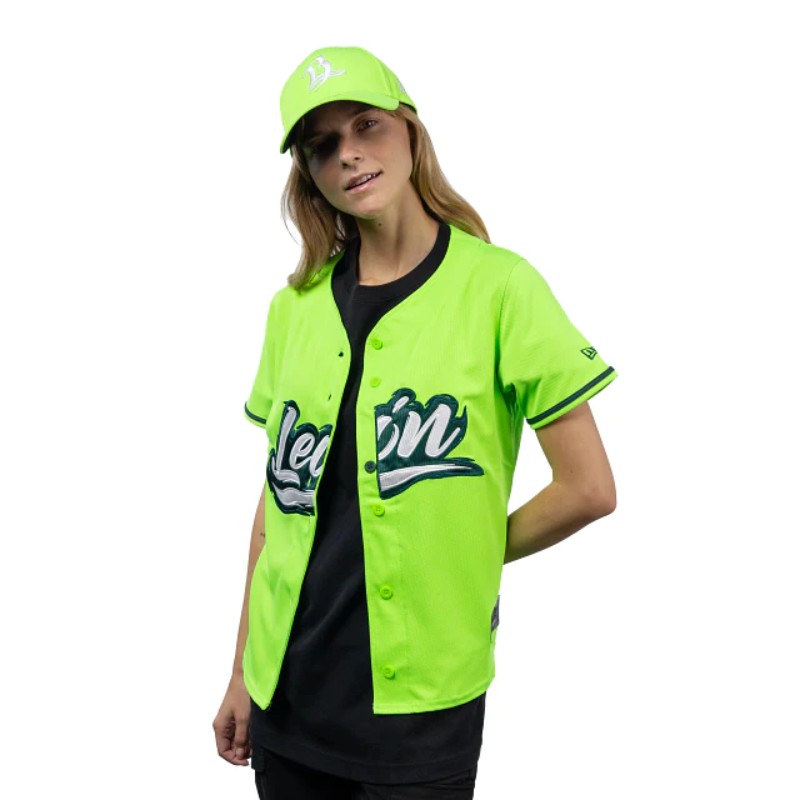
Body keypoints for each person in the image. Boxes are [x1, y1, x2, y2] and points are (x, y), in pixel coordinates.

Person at [212, 45, 618, 800]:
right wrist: (240, 672)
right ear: (307, 171)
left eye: (366, 124)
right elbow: (277, 503)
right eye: (322, 145)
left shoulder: (501, 289)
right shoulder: (292, 309)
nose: (348, 153)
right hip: (285, 696)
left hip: (420, 710)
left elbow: (589, 489)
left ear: (409, 129)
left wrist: (461, 556)